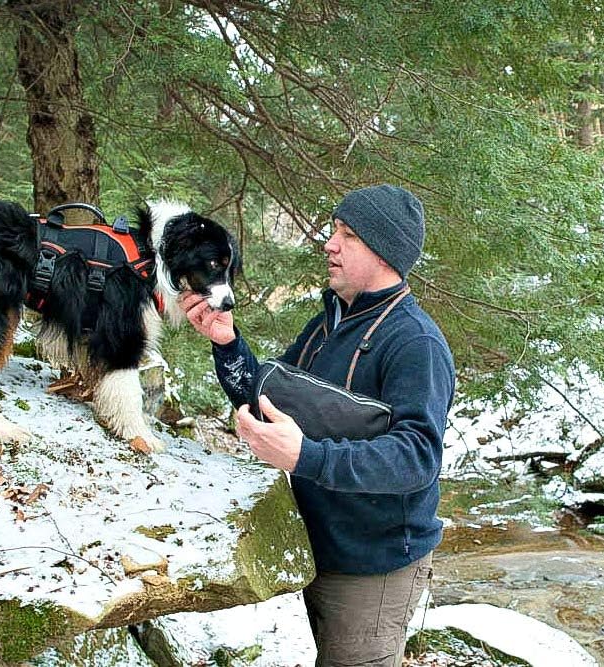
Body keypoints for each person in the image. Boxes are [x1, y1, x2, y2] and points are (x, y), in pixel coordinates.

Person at [181, 184, 455, 667]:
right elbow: (264, 397)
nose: (329, 243)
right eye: (334, 230)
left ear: (384, 250)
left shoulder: (416, 343)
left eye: (347, 234)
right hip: (315, 544)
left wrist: (306, 456)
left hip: (375, 567)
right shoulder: (328, 322)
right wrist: (226, 343)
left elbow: (418, 459)